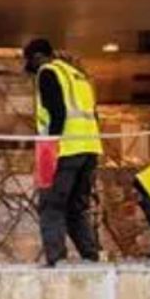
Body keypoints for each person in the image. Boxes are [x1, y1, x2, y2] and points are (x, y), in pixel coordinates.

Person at [24, 38, 103, 266]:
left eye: (30, 61)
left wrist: (51, 149)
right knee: (76, 207)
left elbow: (57, 112)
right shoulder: (77, 75)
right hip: (89, 149)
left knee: (51, 204)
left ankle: (56, 259)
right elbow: (93, 114)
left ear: (38, 57)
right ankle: (90, 256)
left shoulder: (48, 72)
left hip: (66, 149)